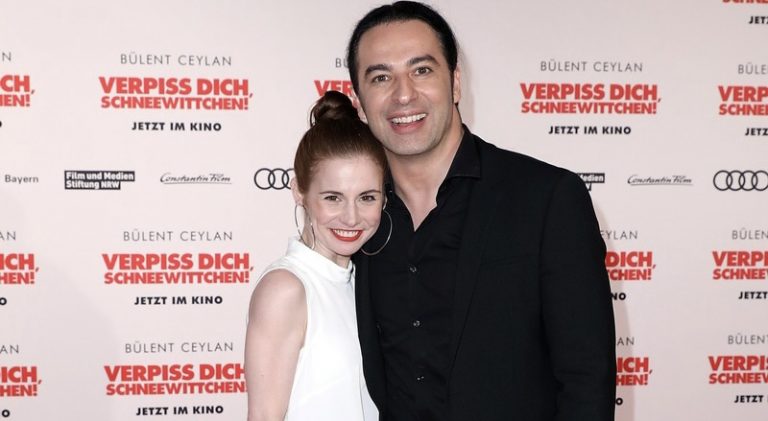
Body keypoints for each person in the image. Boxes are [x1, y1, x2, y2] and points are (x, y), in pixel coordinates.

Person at [346, 2, 616, 420]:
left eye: (422, 70)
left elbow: (586, 380)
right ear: (360, 103)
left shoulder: (546, 198)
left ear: (455, 84)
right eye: (381, 77)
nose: (403, 94)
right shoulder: (352, 220)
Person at [244, 90, 386, 421]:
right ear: (299, 191)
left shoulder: (364, 283)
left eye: (366, 197)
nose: (351, 217)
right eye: (333, 198)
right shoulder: (286, 289)